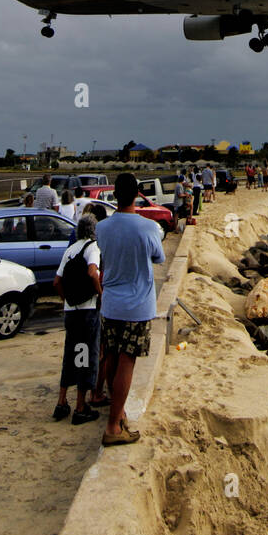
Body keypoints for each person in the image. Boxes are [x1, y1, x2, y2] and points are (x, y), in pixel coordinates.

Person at [95, 173, 165, 446]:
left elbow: (104, 253)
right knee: (127, 361)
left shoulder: (102, 228)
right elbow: (159, 256)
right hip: (137, 305)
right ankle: (113, 425)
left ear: (115, 194)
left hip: (111, 303)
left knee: (110, 357)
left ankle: (118, 413)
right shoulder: (146, 227)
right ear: (137, 194)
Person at [52, 214, 102, 425]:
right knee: (85, 355)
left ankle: (62, 401)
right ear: (93, 230)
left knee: (70, 354)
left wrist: (67, 300)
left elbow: (56, 282)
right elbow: (93, 272)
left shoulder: (69, 250)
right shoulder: (93, 247)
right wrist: (100, 294)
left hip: (70, 311)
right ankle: (81, 406)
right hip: (86, 310)